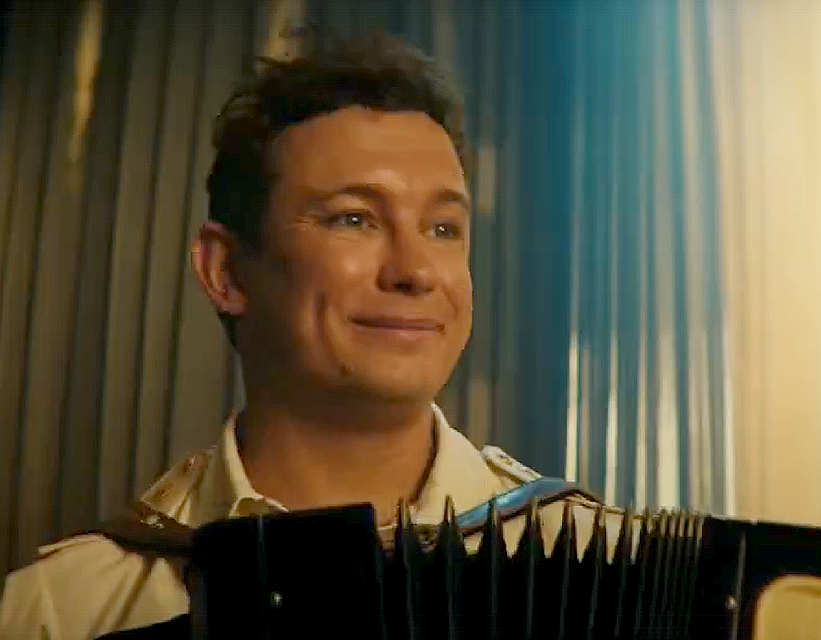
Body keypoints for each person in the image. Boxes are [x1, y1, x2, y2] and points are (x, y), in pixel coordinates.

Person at [0, 31, 621, 640]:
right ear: (226, 271)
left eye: (442, 229)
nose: (415, 272)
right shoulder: (56, 614)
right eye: (354, 219)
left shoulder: (605, 568)